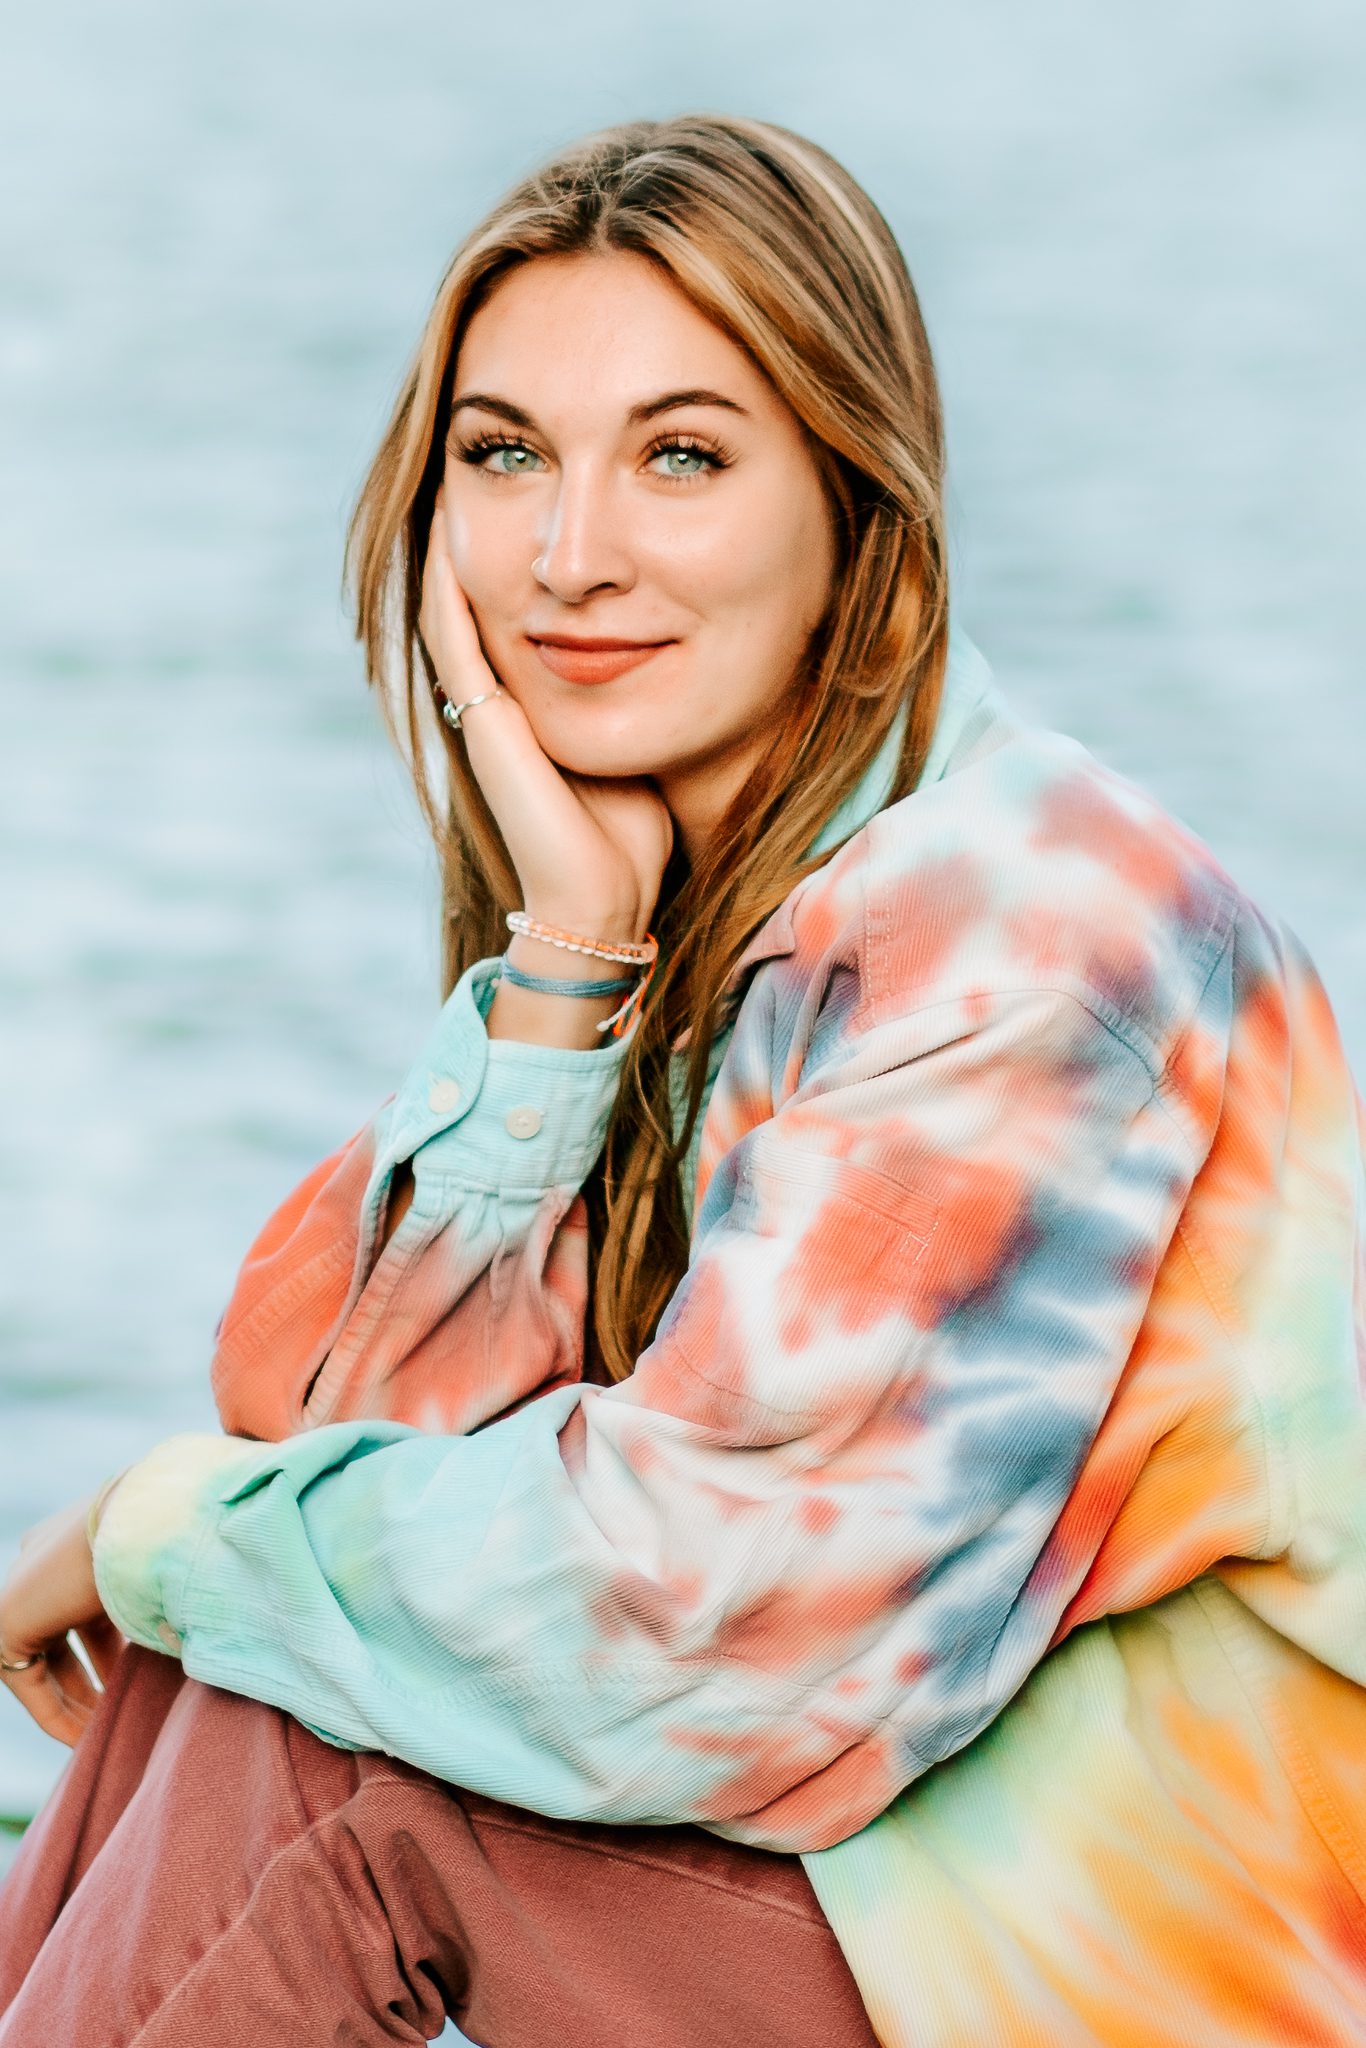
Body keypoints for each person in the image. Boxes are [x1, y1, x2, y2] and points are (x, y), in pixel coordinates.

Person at [2, 111, 1364, 2048]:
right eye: (501, 458)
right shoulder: (716, 907)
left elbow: (691, 1648)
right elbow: (361, 1436)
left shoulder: (1027, 928)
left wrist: (165, 1526)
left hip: (1154, 1975)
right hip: (917, 1906)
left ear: (850, 502)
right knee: (260, 1642)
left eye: (681, 456)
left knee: (321, 1747)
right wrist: (563, 964)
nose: (570, 557)